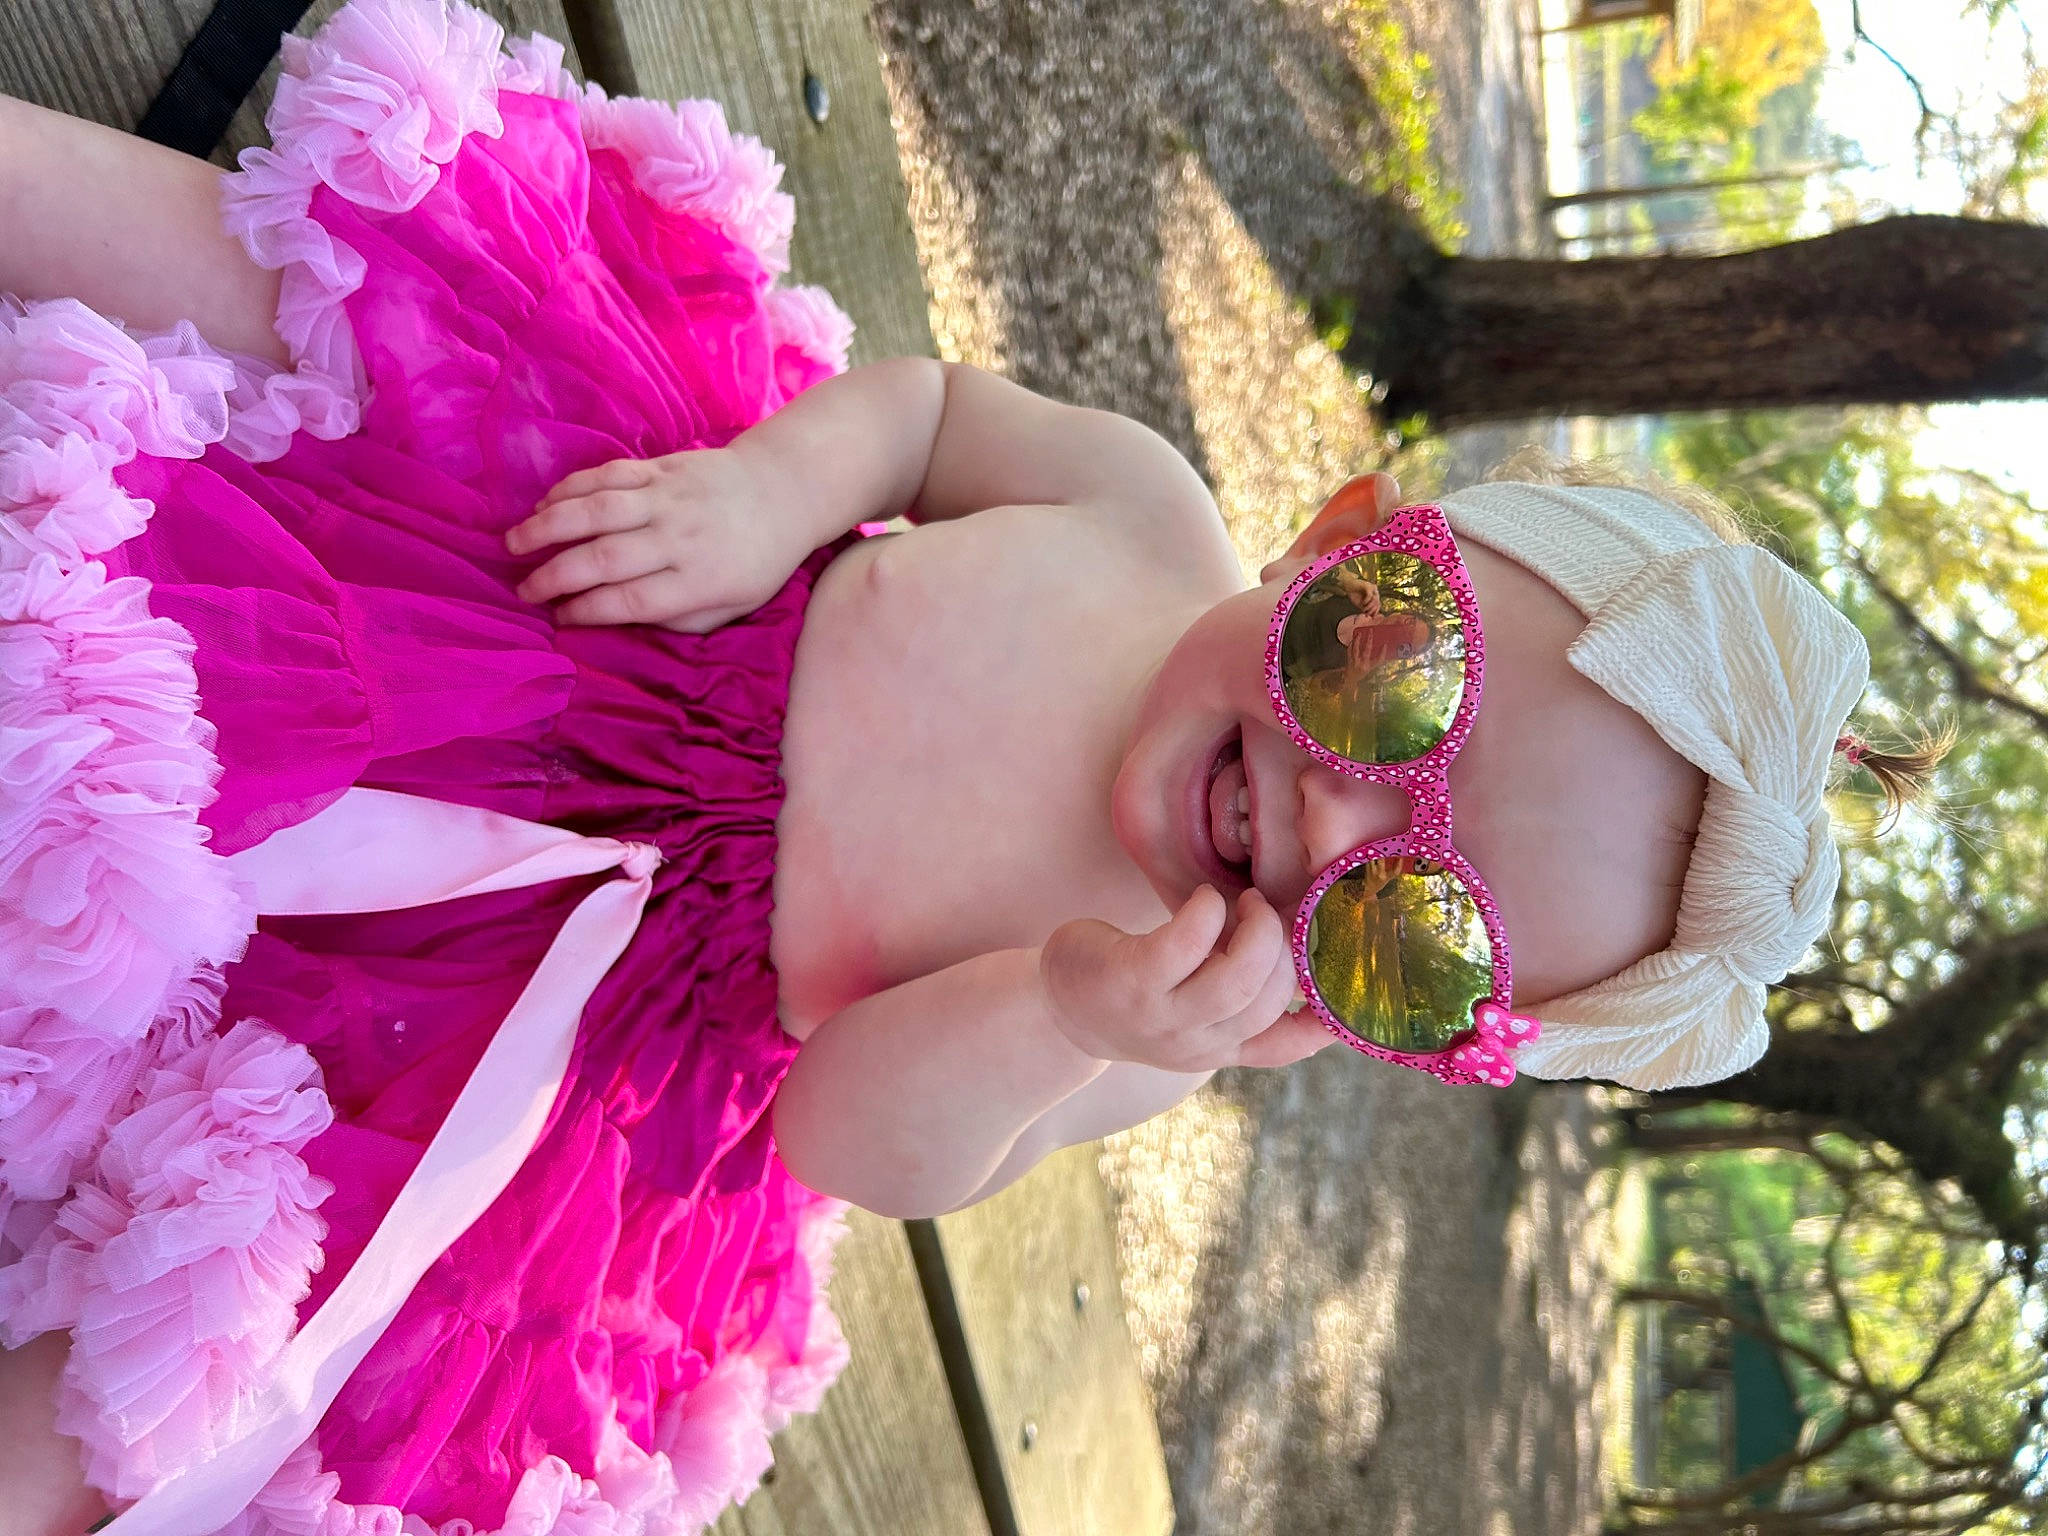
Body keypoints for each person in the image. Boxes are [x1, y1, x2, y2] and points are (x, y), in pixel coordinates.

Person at [0, 0, 1945, 1531]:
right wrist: (774, 491)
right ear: (1354, 534)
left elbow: (850, 1140)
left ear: (1375, 1028)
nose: (1331, 815)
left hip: (536, 1027)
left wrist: (1062, 1013)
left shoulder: (1136, 1015)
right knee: (336, 318)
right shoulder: (1137, 515)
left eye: (1410, 937)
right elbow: (928, 421)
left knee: (221, 1346)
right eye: (1386, 667)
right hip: (597, 593)